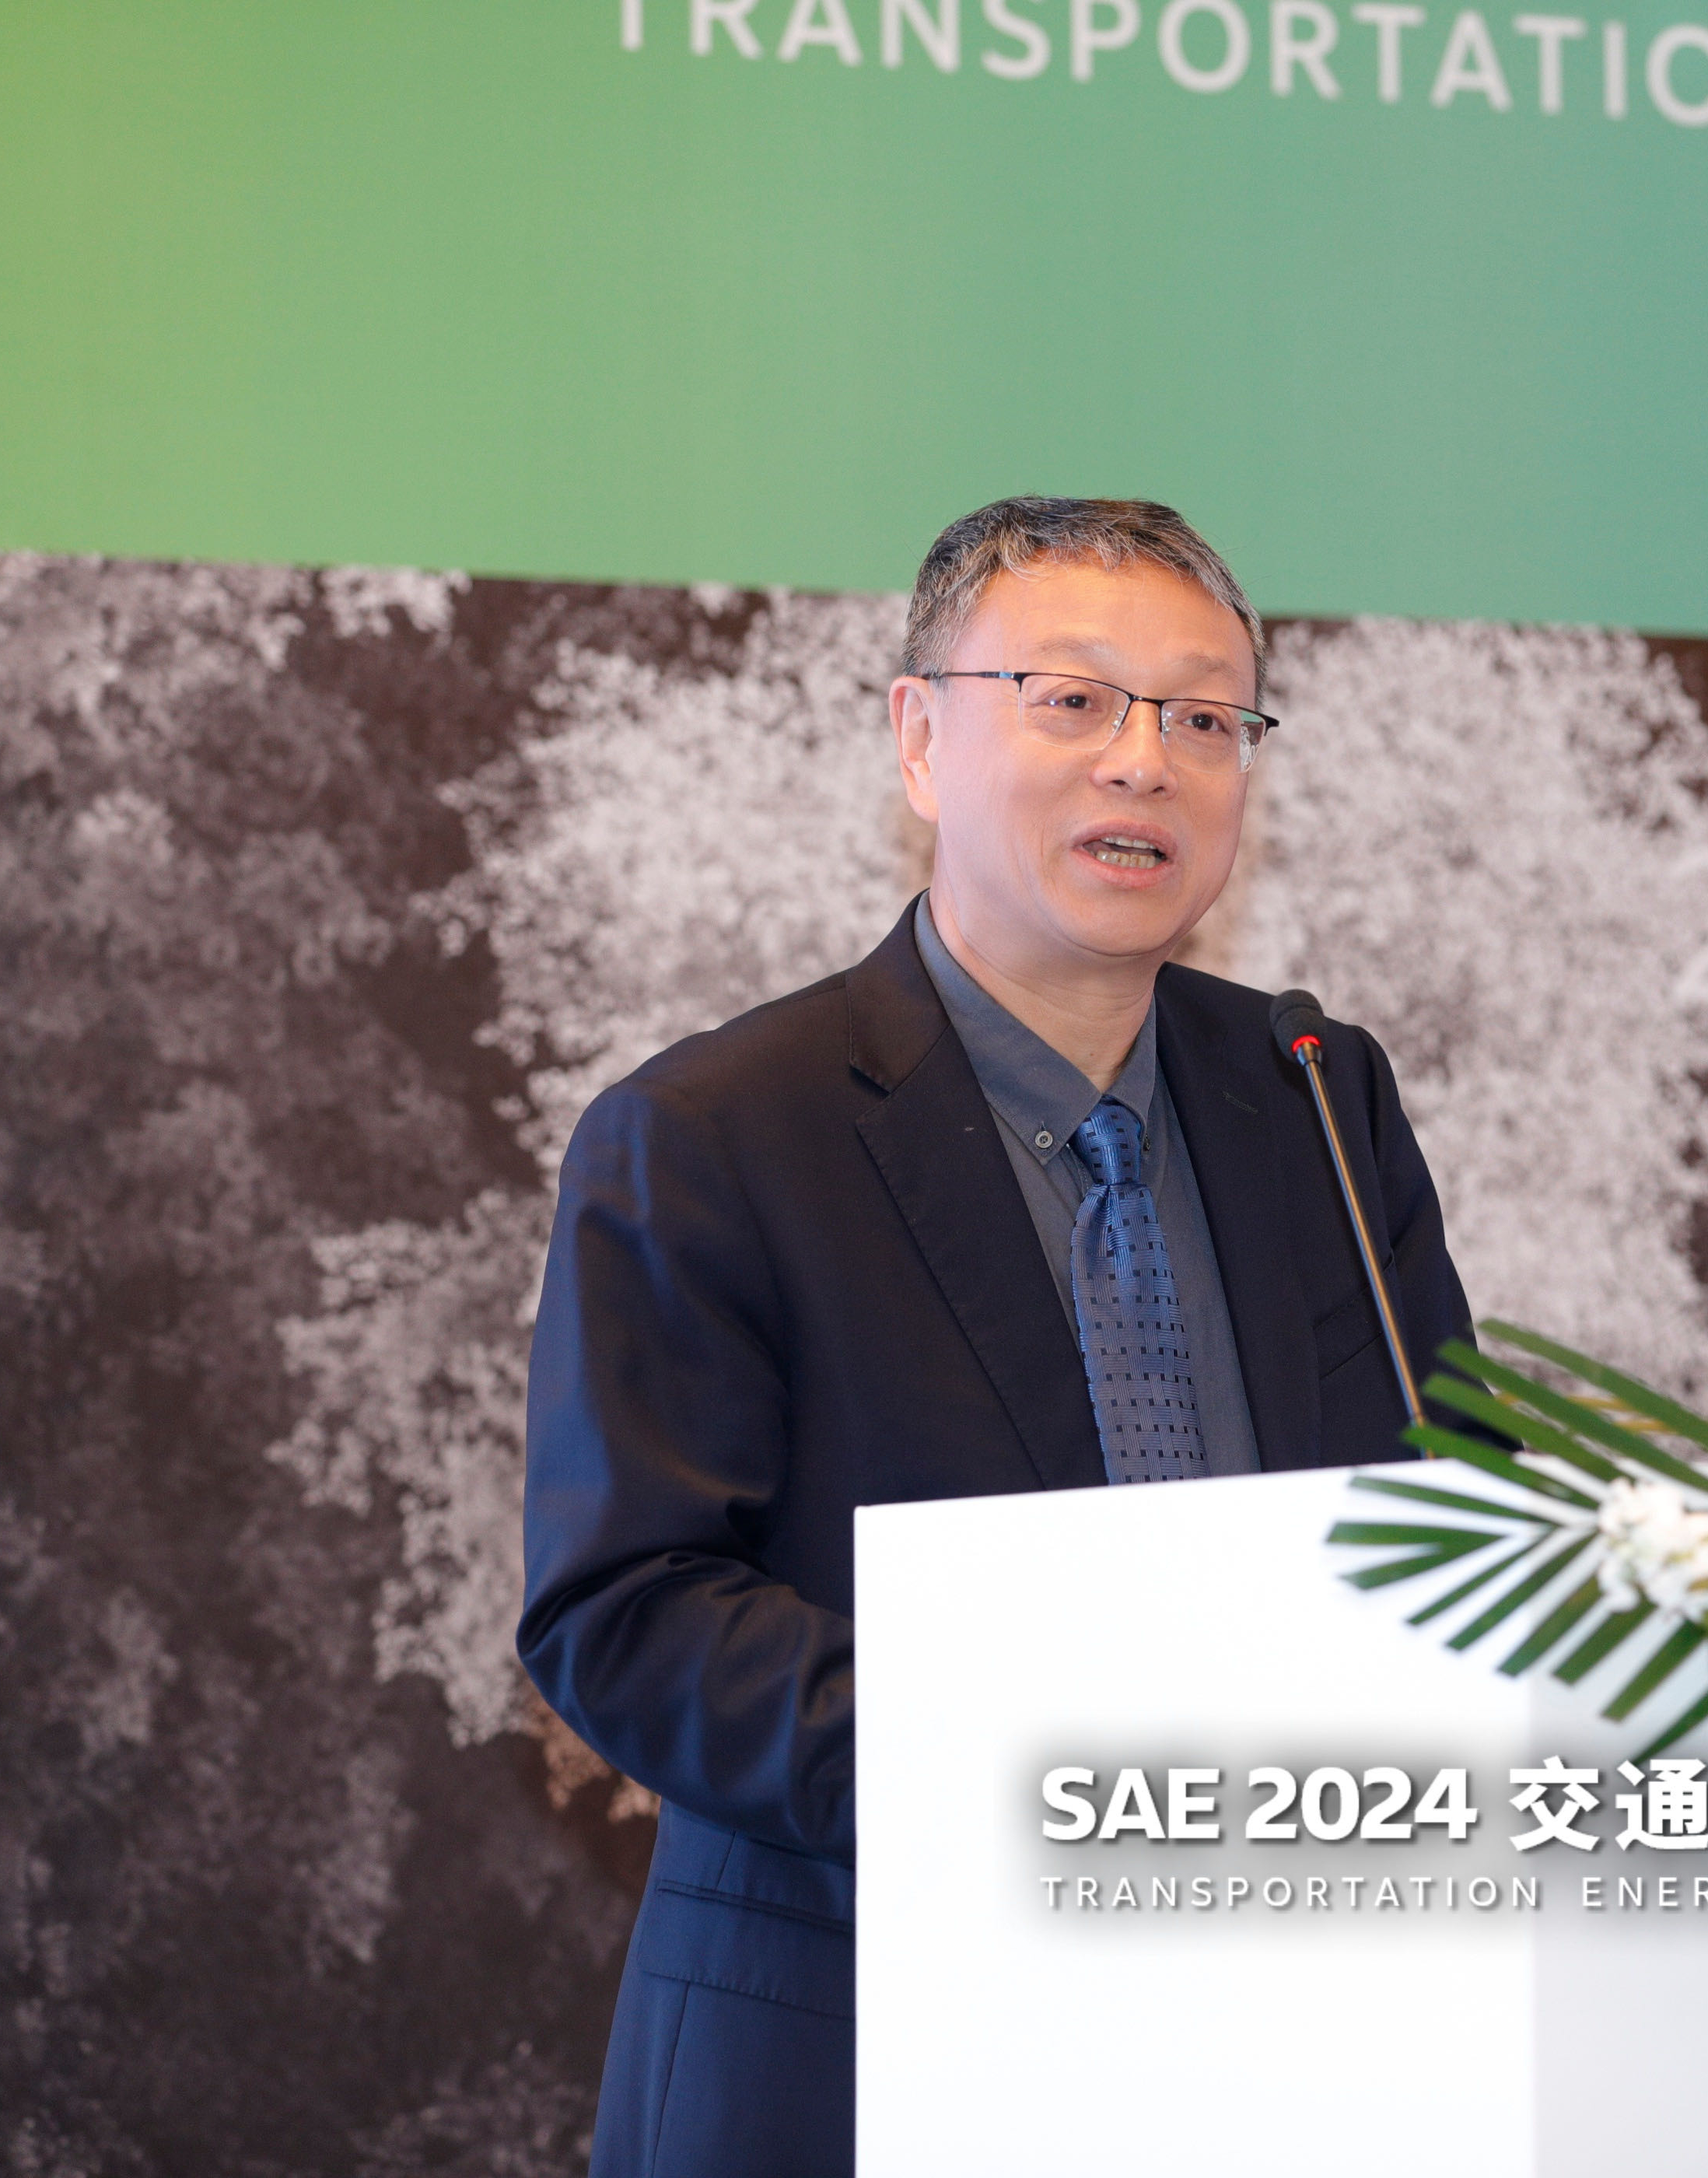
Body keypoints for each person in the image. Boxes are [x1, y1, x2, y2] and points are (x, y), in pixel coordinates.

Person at [518, 498, 1479, 2176]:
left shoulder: (1319, 1097)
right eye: (1074, 700)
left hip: (1287, 2056)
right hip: (861, 2054)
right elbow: (630, 1612)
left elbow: (1450, 1521)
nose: (1144, 761)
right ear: (920, 740)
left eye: (1205, 719)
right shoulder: (714, 1134)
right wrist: (1052, 1773)